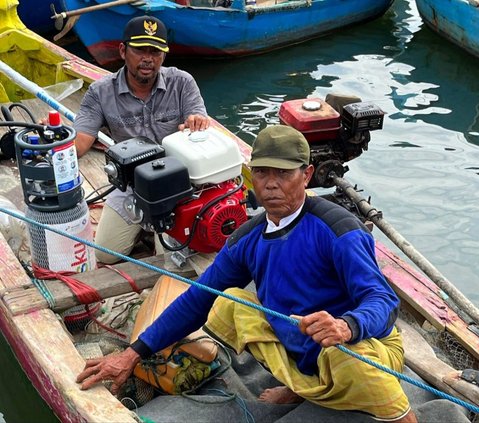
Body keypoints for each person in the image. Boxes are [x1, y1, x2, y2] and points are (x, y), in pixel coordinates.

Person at [77, 125, 417, 422]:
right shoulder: (247, 237)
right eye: (263, 172)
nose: (271, 184)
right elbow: (198, 298)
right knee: (231, 302)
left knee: (357, 363)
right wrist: (132, 354)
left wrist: (347, 326)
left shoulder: (339, 230)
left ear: (308, 175)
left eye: (283, 174)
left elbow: (383, 302)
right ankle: (298, 386)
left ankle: (405, 418)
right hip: (298, 346)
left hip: (354, 345)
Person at [74, 15, 209, 263]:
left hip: (179, 187)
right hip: (131, 186)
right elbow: (81, 140)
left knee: (172, 257)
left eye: (156, 51)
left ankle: (150, 232)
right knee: (105, 253)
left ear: (164, 56)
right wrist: (58, 146)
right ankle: (143, 230)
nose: (148, 58)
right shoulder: (100, 92)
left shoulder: (182, 83)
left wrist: (196, 123)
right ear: (124, 51)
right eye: (140, 50)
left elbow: (198, 118)